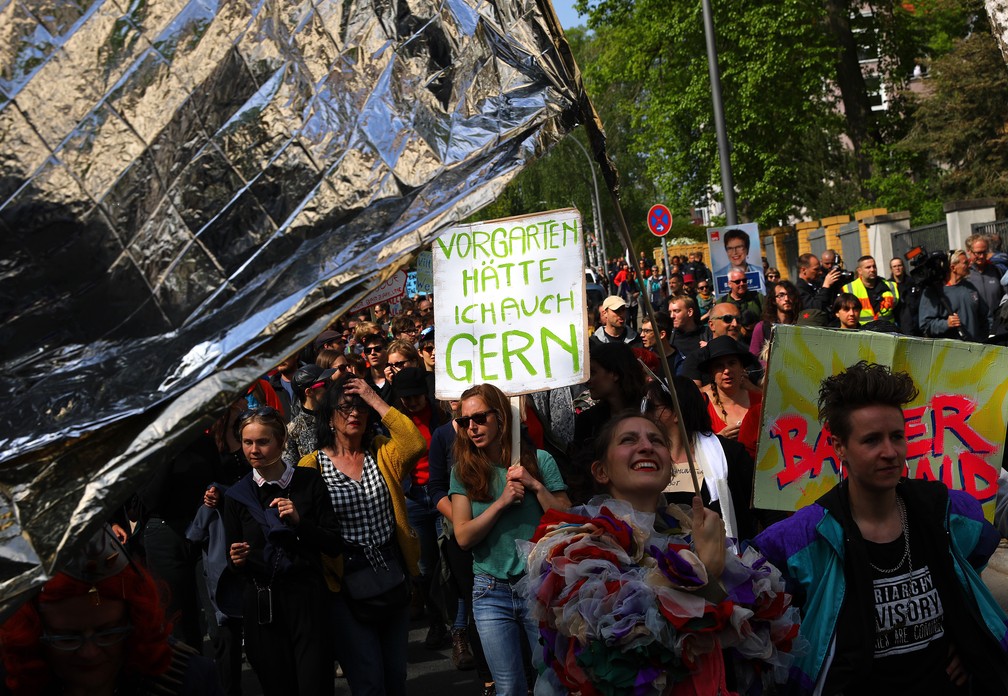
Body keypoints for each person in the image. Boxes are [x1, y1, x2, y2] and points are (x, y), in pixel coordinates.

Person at [754, 361, 1008, 694]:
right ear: (839, 446)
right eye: (872, 440)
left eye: (897, 437)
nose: (890, 452)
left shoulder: (944, 511)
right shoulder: (808, 535)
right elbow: (752, 591)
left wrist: (966, 637)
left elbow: (968, 567)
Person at [524, 410, 800, 696]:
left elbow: (746, 633)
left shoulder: (691, 535)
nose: (646, 447)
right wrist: (705, 572)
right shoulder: (576, 548)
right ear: (601, 471)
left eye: (657, 441)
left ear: (670, 468)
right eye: (629, 440)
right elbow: (627, 656)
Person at [301, 375, 426, 696]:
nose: (354, 414)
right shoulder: (311, 465)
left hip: (391, 574)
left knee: (396, 676)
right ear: (329, 416)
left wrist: (373, 397)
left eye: (361, 409)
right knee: (368, 681)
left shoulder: (381, 452)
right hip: (344, 584)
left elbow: (414, 443)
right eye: (345, 408)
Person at [449, 384, 570, 696]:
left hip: (538, 587)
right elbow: (463, 537)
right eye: (464, 422)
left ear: (501, 417)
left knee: (551, 686)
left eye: (479, 418)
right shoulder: (462, 472)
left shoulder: (540, 460)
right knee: (509, 688)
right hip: (490, 591)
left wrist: (535, 486)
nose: (471, 428)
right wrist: (500, 502)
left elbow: (568, 519)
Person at [0, 526, 222, 696]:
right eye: (67, 638)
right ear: (33, 632)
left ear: (135, 623)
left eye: (108, 633)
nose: (90, 653)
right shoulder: (13, 679)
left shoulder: (189, 679)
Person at [222, 407, 342, 695]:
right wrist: (236, 560)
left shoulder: (308, 481)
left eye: (262, 442)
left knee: (315, 685)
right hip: (263, 604)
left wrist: (300, 523)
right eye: (247, 442)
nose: (254, 450)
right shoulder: (236, 495)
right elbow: (233, 557)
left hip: (307, 597)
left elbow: (333, 543)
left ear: (280, 442)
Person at [697, 336, 763, 459]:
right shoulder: (700, 404)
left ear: (742, 367)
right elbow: (690, 447)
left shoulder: (760, 402)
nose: (727, 370)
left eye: (732, 363)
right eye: (719, 366)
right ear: (711, 372)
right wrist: (717, 440)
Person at [919, 249, 988, 342]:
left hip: (975, 348)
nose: (970, 264)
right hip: (949, 351)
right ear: (953, 267)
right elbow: (925, 325)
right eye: (965, 262)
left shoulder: (969, 287)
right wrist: (946, 323)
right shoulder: (933, 292)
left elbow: (985, 316)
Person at [841, 255, 900, 326]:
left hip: (888, 332)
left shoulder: (891, 286)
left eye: (874, 266)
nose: (872, 269)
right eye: (868, 267)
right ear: (860, 271)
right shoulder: (848, 289)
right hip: (863, 332)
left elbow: (901, 313)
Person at [749, 280, 801, 357]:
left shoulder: (801, 324)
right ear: (773, 300)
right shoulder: (762, 327)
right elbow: (752, 359)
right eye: (781, 295)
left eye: (790, 294)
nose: (786, 299)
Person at [966, 233, 1004, 330]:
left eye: (984, 252)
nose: (982, 256)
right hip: (975, 329)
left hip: (997, 327)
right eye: (978, 253)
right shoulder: (965, 275)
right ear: (969, 251)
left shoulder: (996, 271)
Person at [712, 228, 764, 295]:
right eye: (730, 248)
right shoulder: (718, 275)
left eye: (739, 247)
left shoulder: (759, 271)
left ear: (747, 249)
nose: (735, 252)